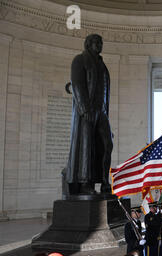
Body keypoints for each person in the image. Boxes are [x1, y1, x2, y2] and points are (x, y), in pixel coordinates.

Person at [65, 34, 113, 195]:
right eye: (96, 42)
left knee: (107, 145)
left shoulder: (103, 66)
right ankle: (85, 183)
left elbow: (105, 91)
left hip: (102, 111)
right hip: (86, 110)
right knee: (86, 146)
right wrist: (85, 109)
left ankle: (105, 183)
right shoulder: (79, 60)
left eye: (101, 42)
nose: (99, 45)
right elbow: (77, 85)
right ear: (88, 44)